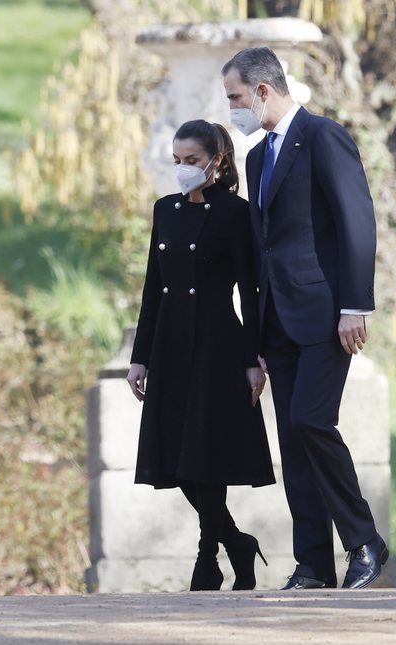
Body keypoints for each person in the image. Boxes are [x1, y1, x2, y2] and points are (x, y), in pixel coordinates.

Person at [221, 47, 387, 590]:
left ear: (264, 91)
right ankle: (312, 563)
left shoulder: (323, 137)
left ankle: (363, 541)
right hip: (277, 320)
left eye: (237, 98)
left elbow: (356, 222)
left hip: (325, 315)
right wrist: (255, 334)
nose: (234, 110)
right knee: (293, 438)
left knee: (313, 423)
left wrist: (355, 304)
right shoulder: (253, 157)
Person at [126, 120, 275, 592]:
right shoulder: (164, 210)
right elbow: (154, 287)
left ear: (217, 161)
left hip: (217, 344)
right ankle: (235, 541)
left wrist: (255, 356)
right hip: (169, 345)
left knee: (205, 450)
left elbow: (251, 291)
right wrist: (140, 356)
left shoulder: (236, 213)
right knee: (176, 453)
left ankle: (208, 553)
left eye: (192, 161)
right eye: (177, 161)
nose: (183, 170)